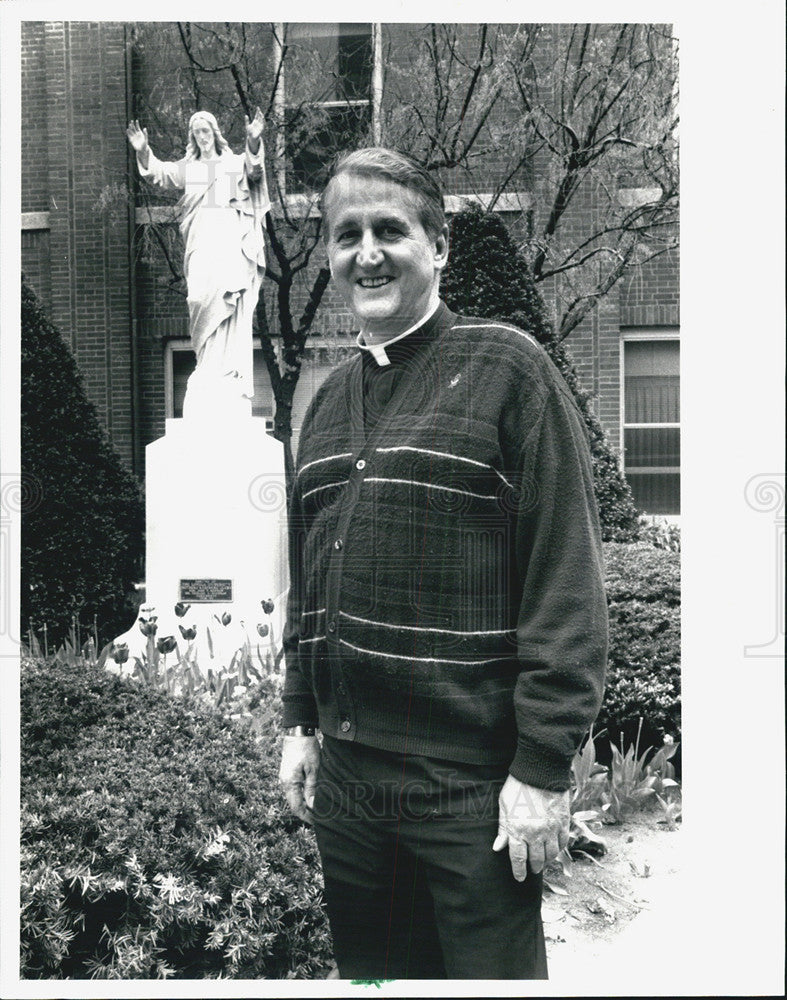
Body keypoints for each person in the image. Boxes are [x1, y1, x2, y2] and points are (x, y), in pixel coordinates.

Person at [278, 148, 608, 980]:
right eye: (345, 234)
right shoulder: (322, 407)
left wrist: (540, 769)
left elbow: (564, 580)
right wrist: (298, 721)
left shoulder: (509, 370)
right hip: (351, 786)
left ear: (440, 247)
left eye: (390, 229)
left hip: (468, 789)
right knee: (376, 982)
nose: (367, 252)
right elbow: (309, 583)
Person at [126, 109, 270, 418]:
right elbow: (160, 173)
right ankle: (206, 366)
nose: (202, 137)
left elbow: (254, 171)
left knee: (226, 301)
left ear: (215, 133)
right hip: (199, 246)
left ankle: (226, 371)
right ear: (193, 137)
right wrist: (143, 150)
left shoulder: (232, 165)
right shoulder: (191, 169)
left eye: (206, 130)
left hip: (228, 245)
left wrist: (254, 140)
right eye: (197, 132)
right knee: (201, 298)